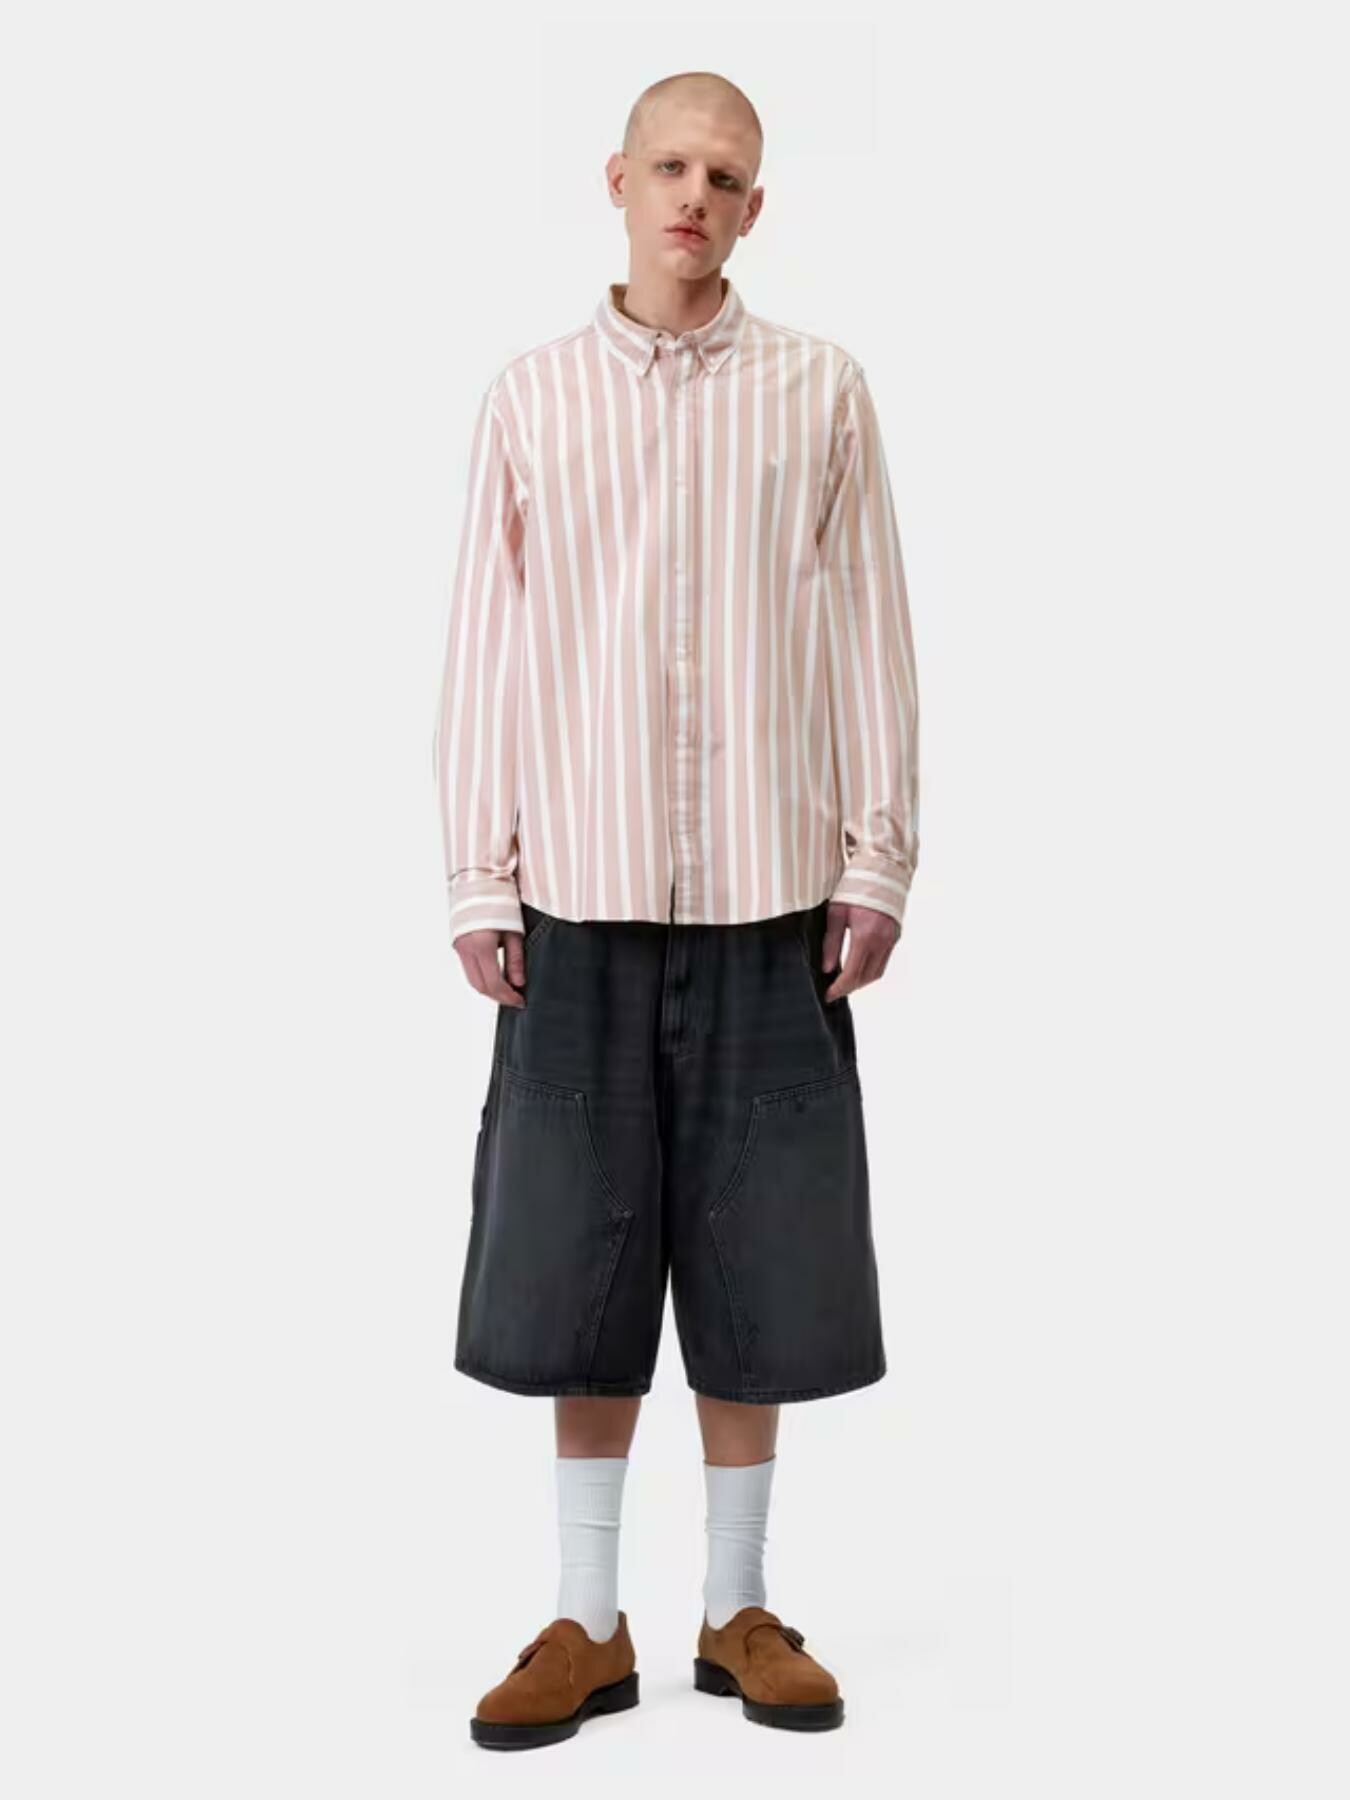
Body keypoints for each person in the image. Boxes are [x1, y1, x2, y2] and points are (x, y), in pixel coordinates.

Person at [432, 68, 920, 1750]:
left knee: (759, 1250)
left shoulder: (820, 391)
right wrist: (478, 873)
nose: (693, 196)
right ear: (618, 181)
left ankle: (736, 1610)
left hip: (774, 900)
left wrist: (875, 856)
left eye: (723, 174)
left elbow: (871, 628)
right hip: (574, 894)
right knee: (572, 1252)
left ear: (754, 206)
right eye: (669, 167)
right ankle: (586, 1623)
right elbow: (485, 645)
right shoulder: (532, 398)